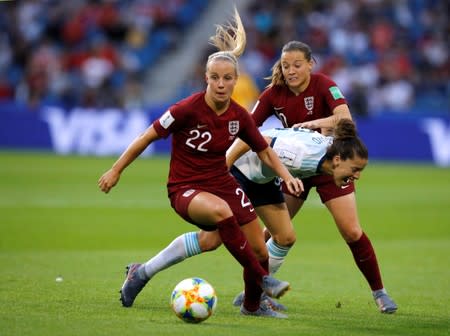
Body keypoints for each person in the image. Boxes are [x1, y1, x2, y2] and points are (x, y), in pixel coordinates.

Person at [98, 7, 303, 319]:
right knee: (223, 214)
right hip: (186, 188)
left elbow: (264, 150)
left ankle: (251, 306)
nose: (221, 84)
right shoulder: (186, 109)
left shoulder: (239, 116)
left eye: (227, 78)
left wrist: (286, 175)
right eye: (215, 78)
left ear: (236, 80)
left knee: (259, 249)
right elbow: (146, 136)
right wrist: (116, 169)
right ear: (205, 78)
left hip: (222, 184)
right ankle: (264, 280)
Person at [128, 118, 370, 314]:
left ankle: (256, 296)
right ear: (338, 160)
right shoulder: (302, 154)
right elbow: (255, 140)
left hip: (262, 178)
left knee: (284, 237)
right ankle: (142, 273)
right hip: (239, 172)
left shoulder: (330, 152)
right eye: (355, 169)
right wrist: (224, 167)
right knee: (211, 240)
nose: (357, 176)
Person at [245, 40, 397, 314]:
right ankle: (254, 293)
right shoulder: (273, 95)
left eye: (297, 65)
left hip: (331, 168)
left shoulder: (324, 84)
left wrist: (315, 123)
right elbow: (248, 126)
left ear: (310, 64)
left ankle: (380, 292)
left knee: (351, 230)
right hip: (296, 170)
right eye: (286, 65)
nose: (290, 70)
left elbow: (345, 119)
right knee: (276, 233)